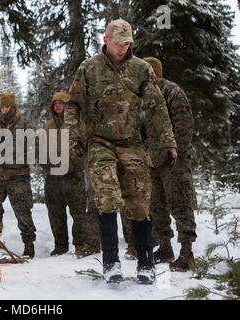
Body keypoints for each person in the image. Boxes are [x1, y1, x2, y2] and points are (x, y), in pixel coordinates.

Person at [64, 19, 178, 284]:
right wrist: (73, 135)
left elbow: (157, 108)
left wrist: (168, 141)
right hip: (100, 142)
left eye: (127, 44)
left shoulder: (141, 69)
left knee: (139, 203)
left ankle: (146, 263)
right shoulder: (88, 69)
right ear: (106, 41)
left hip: (131, 143)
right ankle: (111, 261)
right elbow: (72, 105)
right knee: (107, 197)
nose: (123, 48)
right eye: (118, 43)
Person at [142, 57, 197, 272]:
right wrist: (147, 152)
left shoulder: (172, 91)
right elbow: (143, 129)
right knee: (156, 206)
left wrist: (174, 153)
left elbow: (184, 126)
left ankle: (186, 252)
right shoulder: (144, 98)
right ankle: (165, 247)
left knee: (181, 204)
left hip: (174, 162)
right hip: (152, 162)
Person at [42, 92, 100, 258]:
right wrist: (46, 165)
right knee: (55, 213)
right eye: (55, 104)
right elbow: (40, 148)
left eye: (62, 103)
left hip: (73, 176)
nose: (58, 106)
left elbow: (85, 146)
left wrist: (75, 162)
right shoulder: (47, 126)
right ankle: (60, 245)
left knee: (78, 212)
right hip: (53, 177)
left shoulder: (78, 125)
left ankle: (80, 244)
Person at [0, 92, 37, 258]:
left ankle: (29, 244)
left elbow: (38, 143)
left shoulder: (25, 124)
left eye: (7, 106)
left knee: (22, 211)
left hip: (18, 175)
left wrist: (26, 156)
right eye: (2, 106)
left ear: (13, 107)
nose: (4, 109)